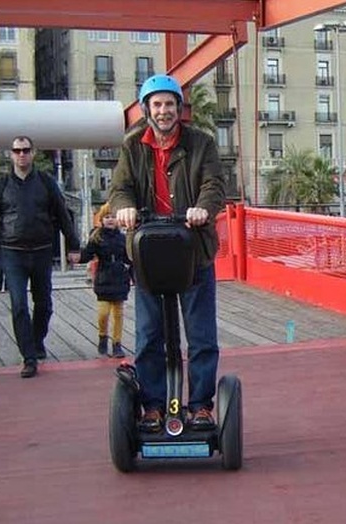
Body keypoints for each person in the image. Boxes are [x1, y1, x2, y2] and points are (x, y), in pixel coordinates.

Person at [108, 74, 226, 432]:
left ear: (179, 109)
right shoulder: (132, 147)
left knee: (202, 336)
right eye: (156, 105)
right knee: (148, 336)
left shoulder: (201, 144)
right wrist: (126, 207)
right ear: (146, 109)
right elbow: (120, 188)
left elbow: (214, 185)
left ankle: (201, 406)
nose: (163, 111)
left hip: (193, 253)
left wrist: (202, 208)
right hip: (150, 257)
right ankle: (154, 406)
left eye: (169, 104)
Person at [0, 136, 81, 379]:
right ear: (11, 154)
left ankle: (36, 341)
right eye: (17, 150)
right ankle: (29, 357)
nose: (21, 154)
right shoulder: (1, 185)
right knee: (19, 306)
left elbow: (63, 215)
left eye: (26, 150)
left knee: (44, 304)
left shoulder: (46, 182)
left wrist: (74, 246)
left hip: (42, 251)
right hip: (12, 253)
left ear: (33, 153)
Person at [81, 203, 130, 359]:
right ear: (101, 220)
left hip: (120, 277)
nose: (110, 220)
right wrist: (78, 255)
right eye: (107, 217)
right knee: (103, 313)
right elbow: (87, 254)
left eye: (113, 217)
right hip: (104, 278)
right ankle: (103, 336)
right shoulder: (97, 237)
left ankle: (117, 343)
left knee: (118, 313)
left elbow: (129, 258)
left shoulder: (123, 238)